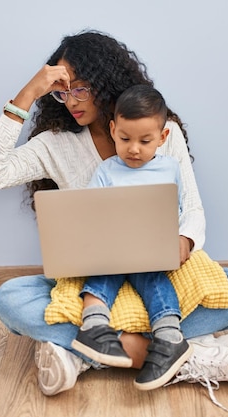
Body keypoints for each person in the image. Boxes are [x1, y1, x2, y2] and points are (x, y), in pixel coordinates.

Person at [0, 30, 228, 400]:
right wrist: (28, 93)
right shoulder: (54, 144)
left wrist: (184, 240)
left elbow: (191, 205)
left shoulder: (158, 132)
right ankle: (171, 356)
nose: (70, 101)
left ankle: (86, 355)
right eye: (60, 92)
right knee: (10, 299)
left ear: (105, 81)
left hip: (159, 272)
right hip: (95, 284)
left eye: (79, 88)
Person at [72, 85, 192, 391]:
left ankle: (169, 338)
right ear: (113, 130)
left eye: (145, 141)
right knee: (103, 271)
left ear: (163, 138)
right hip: (112, 249)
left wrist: (182, 238)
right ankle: (95, 329)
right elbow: (88, 213)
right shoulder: (106, 171)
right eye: (125, 139)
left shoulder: (170, 167)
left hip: (151, 251)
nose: (134, 149)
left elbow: (180, 210)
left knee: (153, 277)